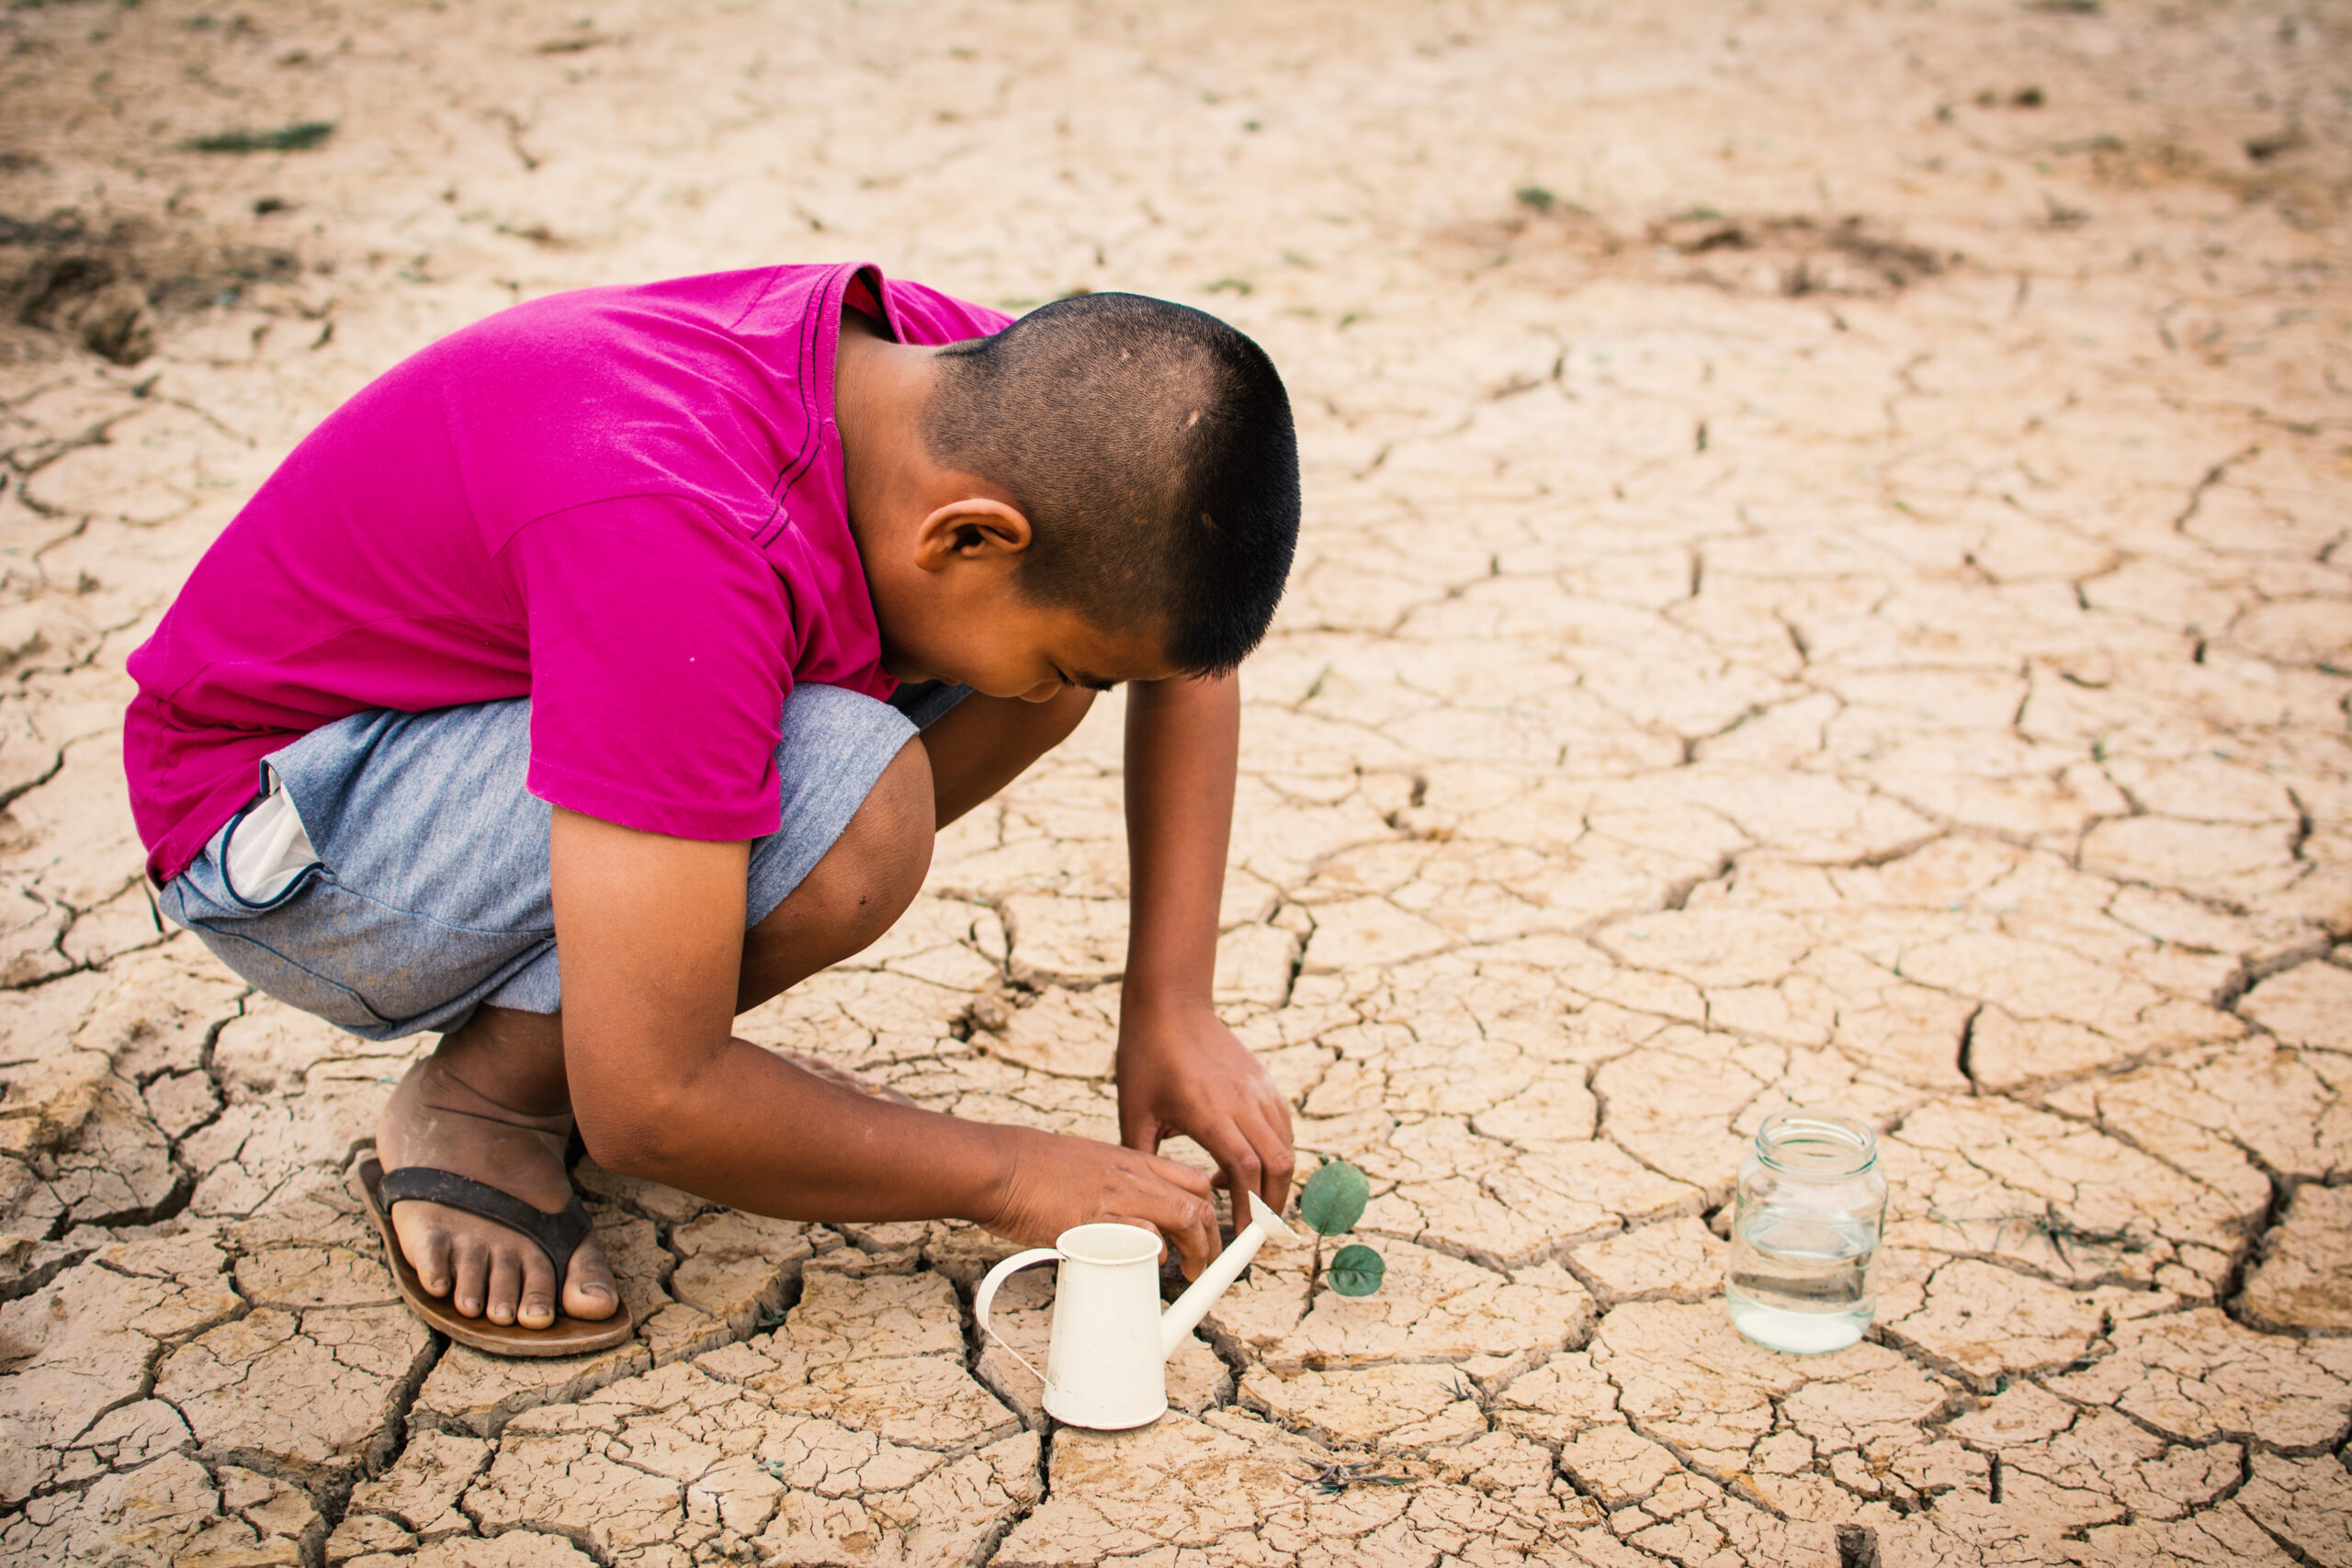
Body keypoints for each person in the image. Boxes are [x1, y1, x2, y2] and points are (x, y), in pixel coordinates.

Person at [123, 263, 1301, 1354]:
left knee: (1029, 682)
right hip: (291, 819)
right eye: (1073, 659)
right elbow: (652, 1109)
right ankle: (485, 1101)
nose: (1073, 691)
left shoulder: (962, 392)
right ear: (972, 535)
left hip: (485, 712)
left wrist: (1172, 1002)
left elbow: (1170, 636)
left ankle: (591, 1013)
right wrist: (1011, 1176)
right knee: (853, 798)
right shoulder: (680, 543)